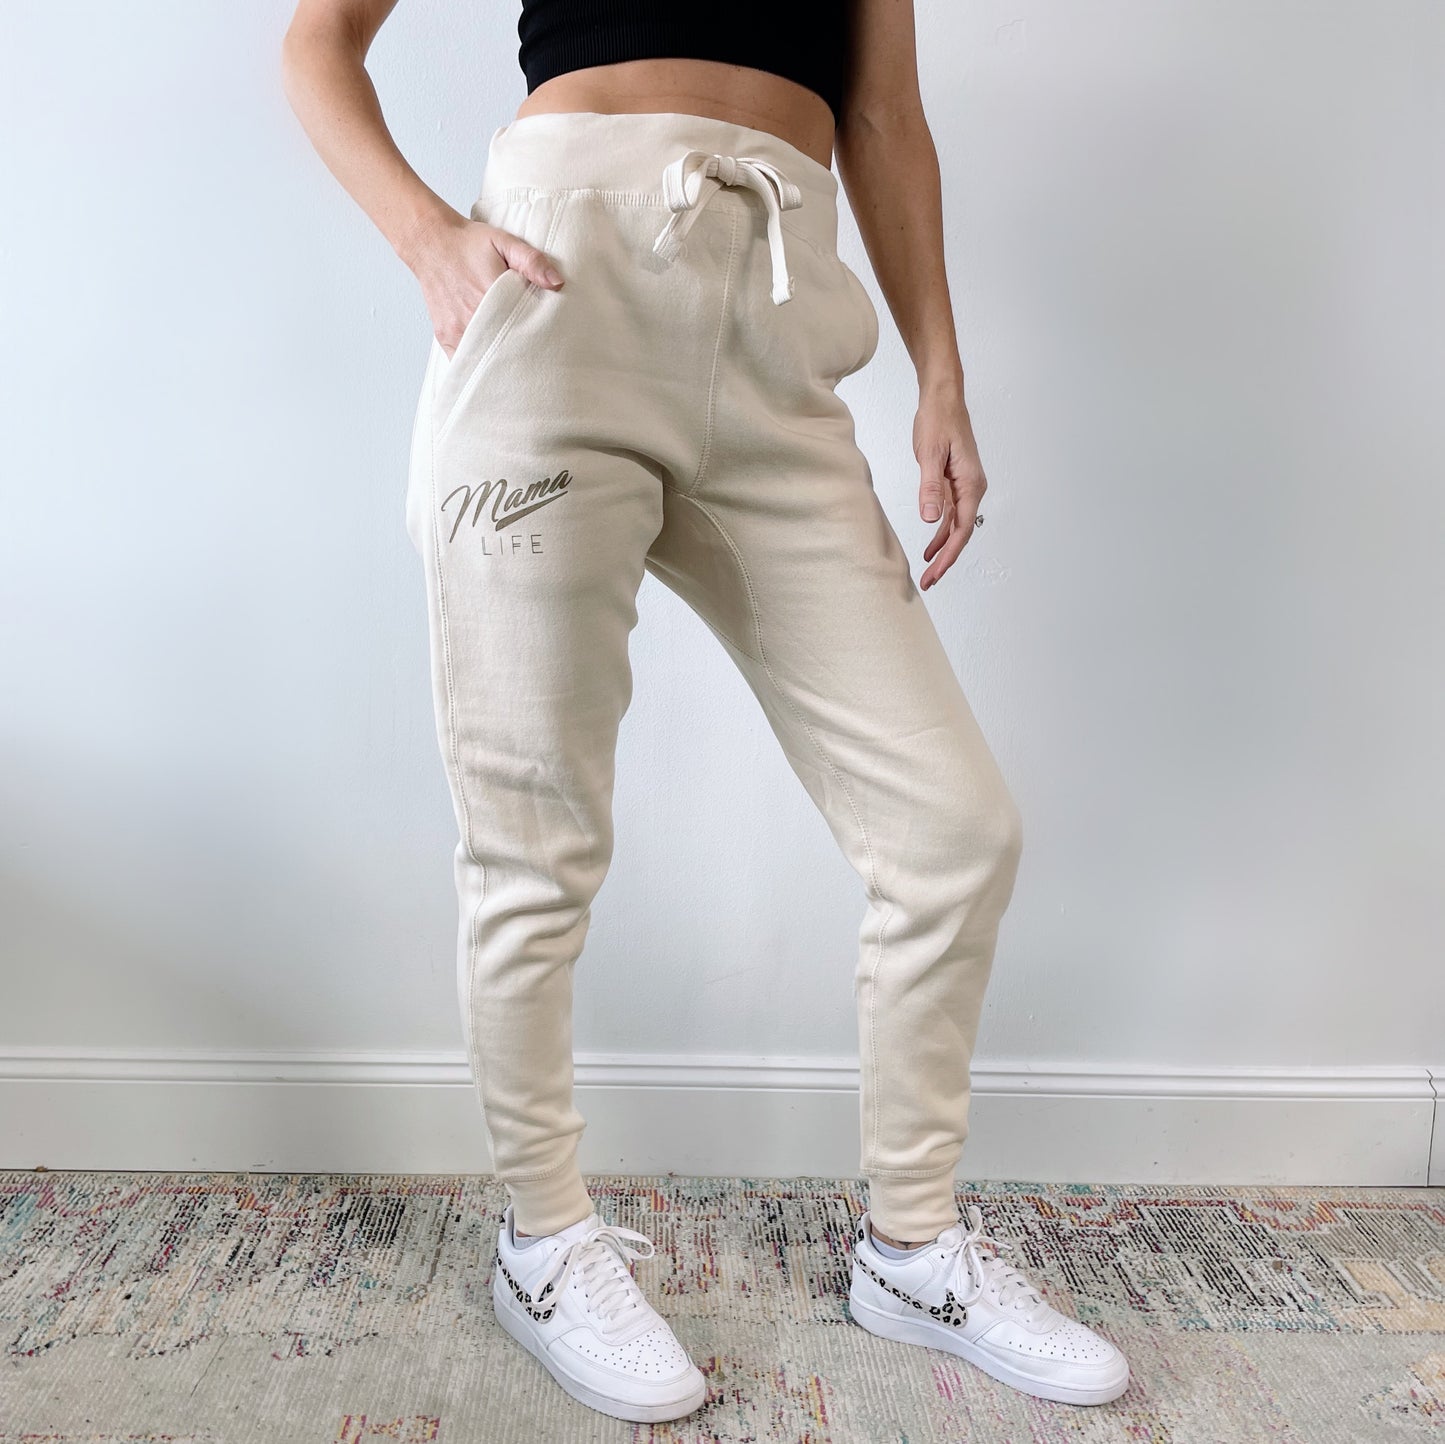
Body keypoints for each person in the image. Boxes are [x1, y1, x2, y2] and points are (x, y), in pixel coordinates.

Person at [281, 0, 1131, 1423]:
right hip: (556, 300)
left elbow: (880, 119)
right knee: (534, 838)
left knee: (950, 831)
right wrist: (431, 236)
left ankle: (912, 1249)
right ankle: (543, 1240)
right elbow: (319, 41)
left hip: (776, 327)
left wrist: (940, 372)